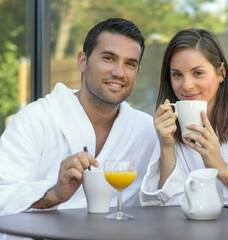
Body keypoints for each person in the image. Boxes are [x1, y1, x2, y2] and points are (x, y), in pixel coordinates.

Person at [0, 18, 159, 216]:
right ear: (82, 61)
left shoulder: (146, 131)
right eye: (108, 58)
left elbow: (165, 200)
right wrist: (54, 194)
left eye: (130, 63)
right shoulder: (36, 119)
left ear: (137, 72)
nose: (119, 72)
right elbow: (3, 194)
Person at [140, 29, 228, 207]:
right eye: (177, 75)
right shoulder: (168, 130)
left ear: (221, 73)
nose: (186, 86)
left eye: (198, 73)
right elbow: (164, 206)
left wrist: (220, 167)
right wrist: (166, 147)